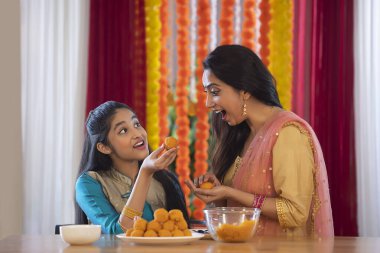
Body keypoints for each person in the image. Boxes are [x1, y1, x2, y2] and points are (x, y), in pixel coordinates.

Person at [185, 45, 334, 237]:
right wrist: (219, 194)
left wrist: (231, 193)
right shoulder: (241, 133)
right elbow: (237, 212)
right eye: (206, 93)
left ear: (244, 90)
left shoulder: (288, 132)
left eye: (214, 92)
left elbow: (295, 212)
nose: (207, 103)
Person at [75, 101, 189, 234]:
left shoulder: (165, 179)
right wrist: (145, 173)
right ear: (104, 147)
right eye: (123, 131)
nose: (138, 134)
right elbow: (117, 233)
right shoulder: (89, 183)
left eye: (136, 124)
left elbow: (182, 232)